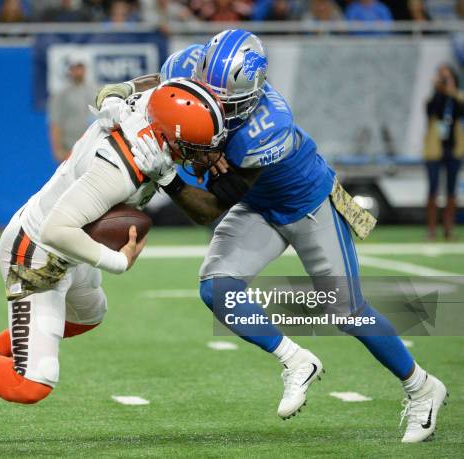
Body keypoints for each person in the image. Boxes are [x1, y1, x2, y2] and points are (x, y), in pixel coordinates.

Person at [97, 29, 448, 443]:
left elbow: (209, 207)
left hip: (307, 204)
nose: (212, 104)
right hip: (260, 208)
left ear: (250, 92)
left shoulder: (266, 128)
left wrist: (169, 175)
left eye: (224, 100)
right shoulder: (189, 64)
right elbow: (158, 83)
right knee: (217, 288)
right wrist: (121, 91)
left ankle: (422, 386)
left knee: (347, 312)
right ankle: (295, 359)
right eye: (206, 90)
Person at [0, 78, 228, 434]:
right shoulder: (120, 169)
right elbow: (57, 230)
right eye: (194, 147)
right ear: (167, 135)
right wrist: (117, 261)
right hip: (37, 253)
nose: (203, 157)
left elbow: (132, 88)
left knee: (88, 314)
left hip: (65, 248)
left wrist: (116, 96)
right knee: (32, 383)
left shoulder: (150, 110)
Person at [423, 64, 463, 241]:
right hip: (434, 148)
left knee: (451, 190)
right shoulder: (434, 97)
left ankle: (449, 229)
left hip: (453, 148)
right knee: (433, 188)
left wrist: (451, 91)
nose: (444, 81)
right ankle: (432, 229)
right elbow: (430, 111)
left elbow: (460, 111)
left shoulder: (457, 97)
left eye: (447, 77)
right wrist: (439, 90)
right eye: (442, 77)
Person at [47, 58, 97, 163]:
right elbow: (55, 124)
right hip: (69, 148)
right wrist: (57, 150)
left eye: (80, 68)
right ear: (70, 70)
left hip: (91, 147)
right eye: (75, 68)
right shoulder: (61, 95)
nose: (78, 72)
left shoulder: (94, 92)